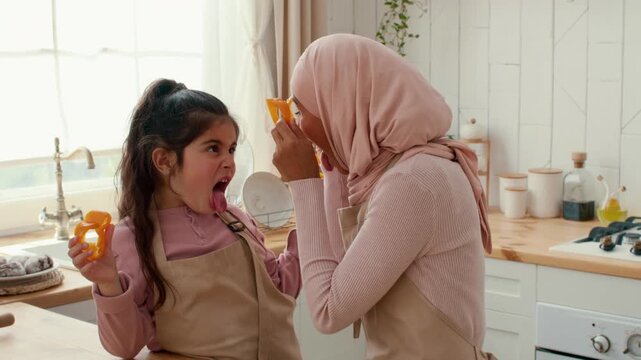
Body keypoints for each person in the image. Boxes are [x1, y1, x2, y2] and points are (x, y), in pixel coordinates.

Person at [271, 34, 496, 359]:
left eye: (301, 111)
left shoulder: (415, 182)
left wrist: (304, 181)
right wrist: (334, 166)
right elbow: (341, 264)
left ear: (341, 107)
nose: (298, 126)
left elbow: (327, 310)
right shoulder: (399, 170)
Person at [68, 79, 302, 359]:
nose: (229, 161)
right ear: (164, 161)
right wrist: (108, 283)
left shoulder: (237, 221)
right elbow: (125, 346)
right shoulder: (134, 238)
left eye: (231, 149)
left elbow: (279, 289)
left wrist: (311, 217)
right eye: (213, 148)